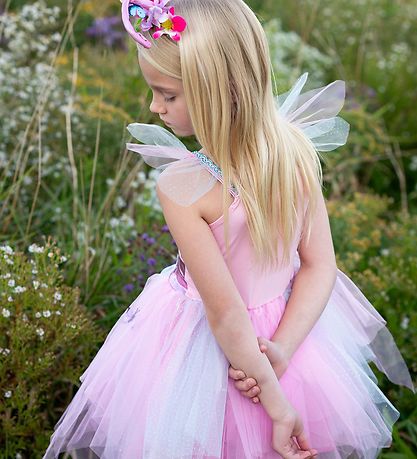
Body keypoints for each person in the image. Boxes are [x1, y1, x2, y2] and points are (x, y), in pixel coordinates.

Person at [43, 0, 414, 458]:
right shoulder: (294, 149)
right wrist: (280, 349)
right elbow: (320, 267)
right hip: (286, 331)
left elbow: (226, 315)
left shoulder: (183, 187)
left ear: (219, 90)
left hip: (210, 351)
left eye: (167, 94)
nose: (153, 106)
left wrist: (278, 407)